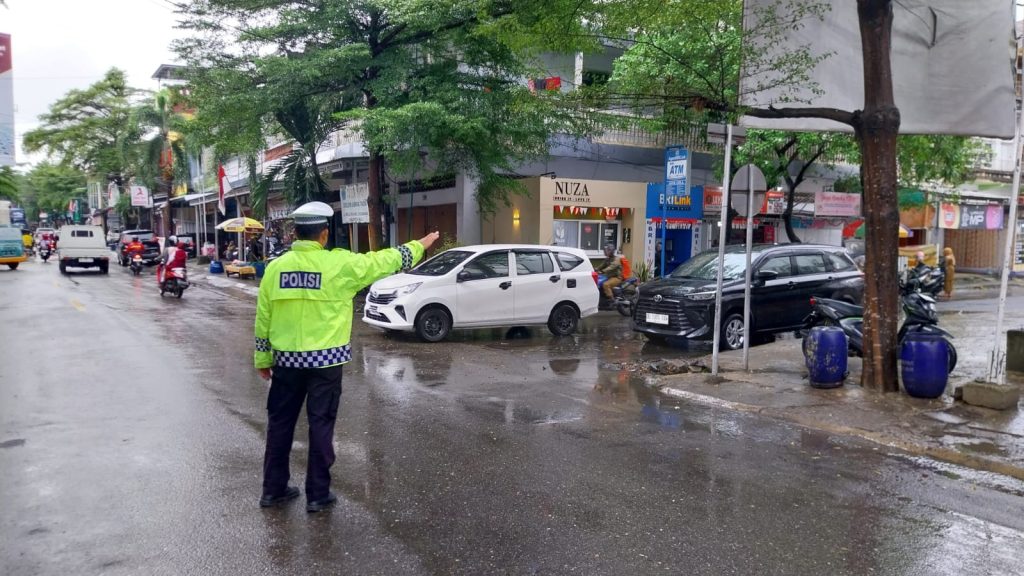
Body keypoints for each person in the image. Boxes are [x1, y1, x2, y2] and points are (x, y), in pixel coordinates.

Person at [254, 201, 438, 512]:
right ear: (324, 234)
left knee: (280, 425)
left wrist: (262, 359)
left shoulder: (275, 269)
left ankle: (273, 491)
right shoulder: (339, 265)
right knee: (320, 425)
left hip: (286, 362)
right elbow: (383, 261)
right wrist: (419, 245)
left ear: (295, 233)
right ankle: (317, 495)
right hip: (325, 363)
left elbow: (263, 317)